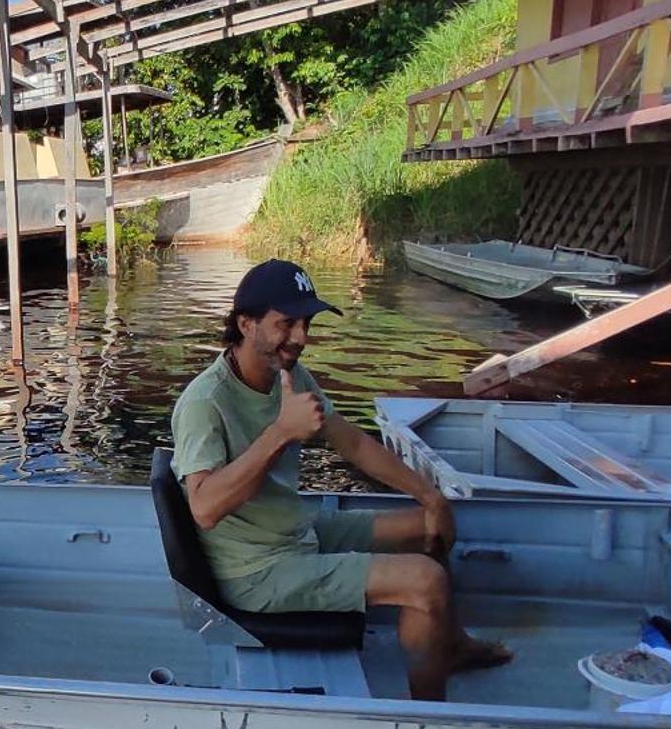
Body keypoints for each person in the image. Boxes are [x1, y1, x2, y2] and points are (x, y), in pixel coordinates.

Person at [170, 260, 510, 700]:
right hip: (255, 572)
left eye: (306, 323)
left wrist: (430, 496)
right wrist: (280, 433)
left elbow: (352, 443)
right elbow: (203, 508)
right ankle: (430, 715)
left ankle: (451, 643)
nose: (301, 338)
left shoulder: (288, 375)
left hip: (293, 531)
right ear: (245, 323)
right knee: (425, 580)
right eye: (286, 323)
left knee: (429, 524)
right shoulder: (204, 402)